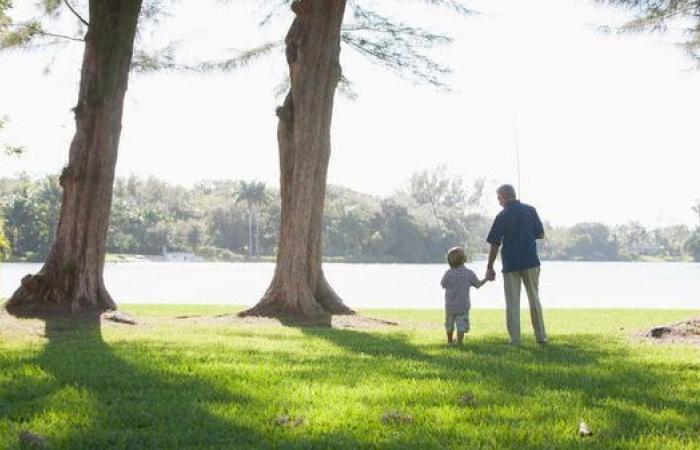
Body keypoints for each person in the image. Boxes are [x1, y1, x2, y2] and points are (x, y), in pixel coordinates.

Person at [485, 184, 548, 346]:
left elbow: (494, 244)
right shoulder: (530, 210)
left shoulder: (502, 216)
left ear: (505, 196)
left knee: (512, 302)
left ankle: (514, 339)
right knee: (534, 298)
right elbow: (540, 234)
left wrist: (490, 266)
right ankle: (541, 336)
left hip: (511, 263)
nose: (499, 202)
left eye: (499, 198)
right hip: (531, 261)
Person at [441, 246, 488, 345]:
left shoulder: (448, 273)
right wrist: (486, 279)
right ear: (464, 259)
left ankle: (449, 341)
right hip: (463, 305)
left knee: (449, 324)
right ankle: (459, 342)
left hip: (450, 305)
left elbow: (443, 284)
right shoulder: (469, 273)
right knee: (461, 324)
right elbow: (478, 284)